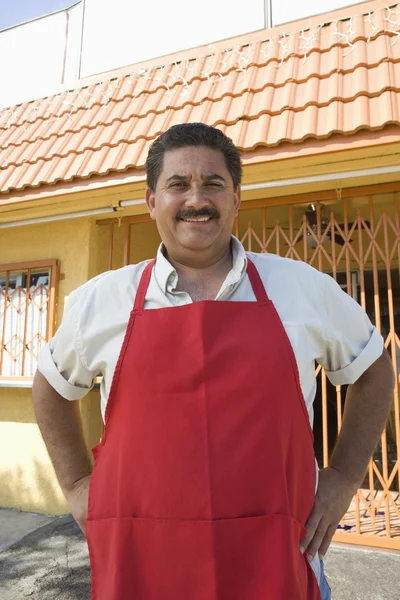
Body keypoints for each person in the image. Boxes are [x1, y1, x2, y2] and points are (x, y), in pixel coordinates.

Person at [33, 123, 394, 600]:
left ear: (237, 199)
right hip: (142, 566)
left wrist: (345, 477)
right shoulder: (104, 299)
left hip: (279, 560)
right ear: (151, 201)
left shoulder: (302, 287)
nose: (196, 199)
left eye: (214, 184)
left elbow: (373, 368)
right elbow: (51, 387)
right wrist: (78, 484)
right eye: (178, 184)